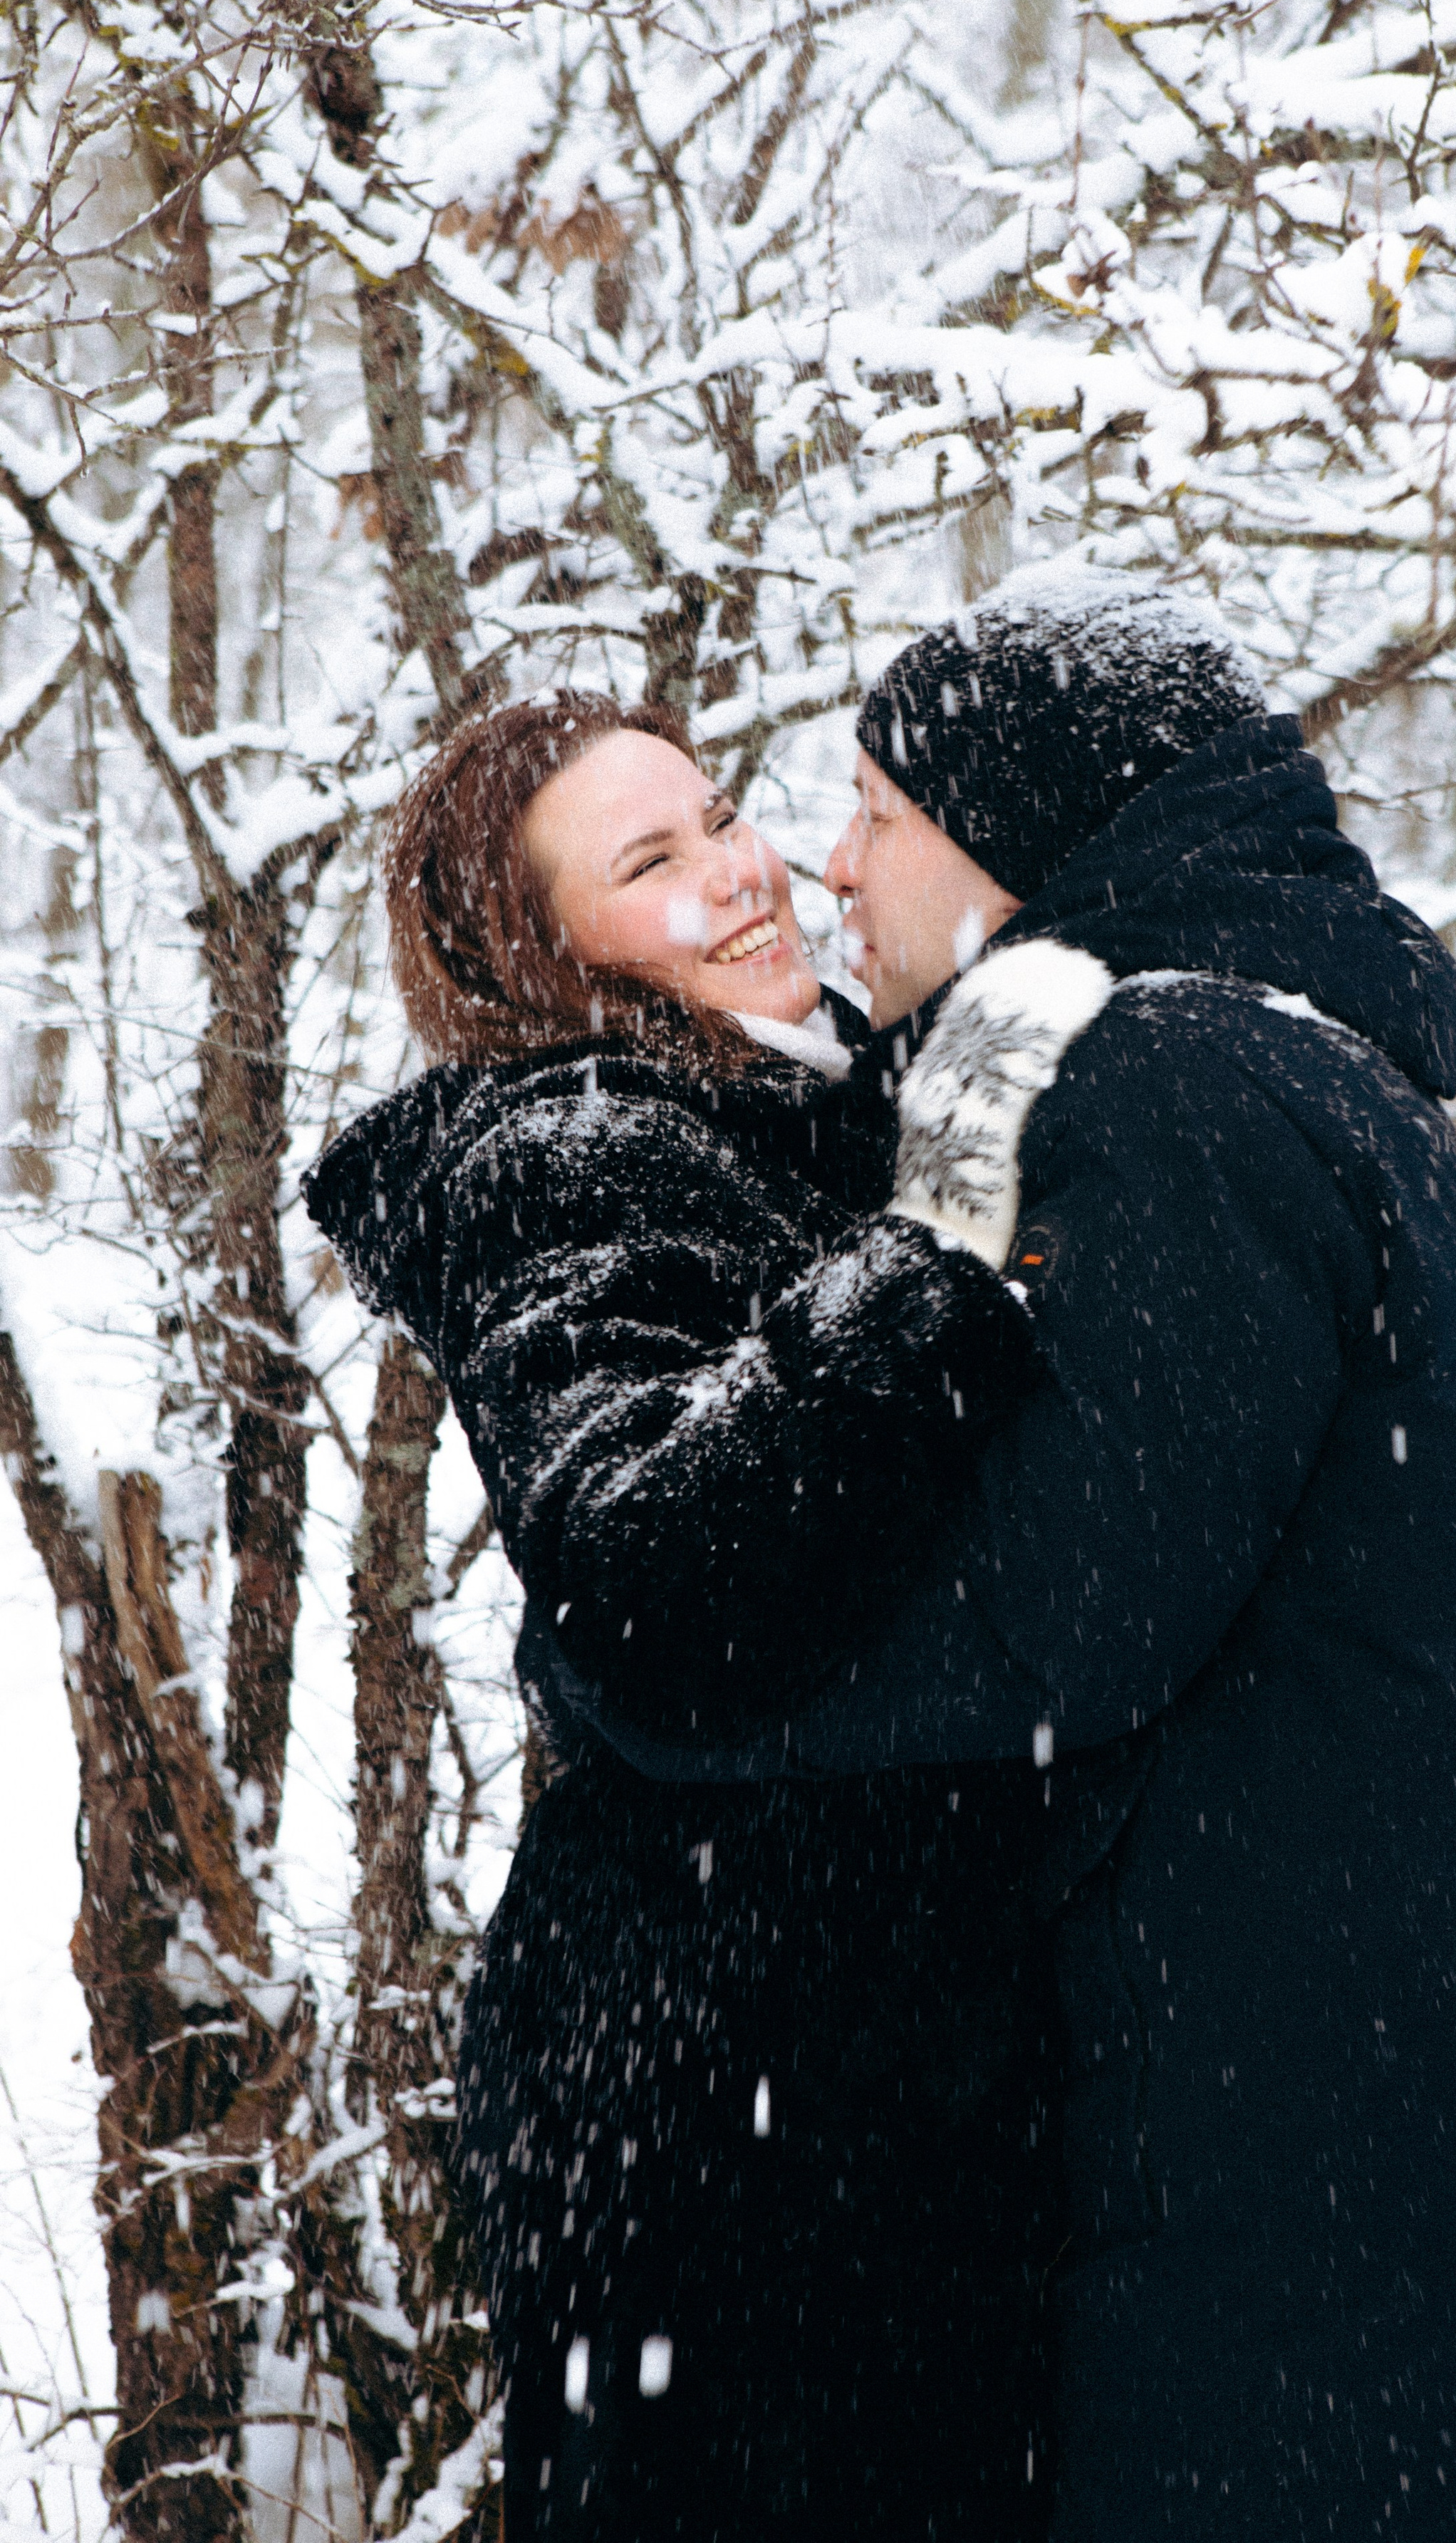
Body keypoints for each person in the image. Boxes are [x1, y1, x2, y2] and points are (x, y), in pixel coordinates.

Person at [513, 568, 1456, 2541]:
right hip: (1404, 2173)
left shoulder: (1179, 1083)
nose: (830, 864)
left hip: (1312, 2216)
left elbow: (1046, 1621)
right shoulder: (1306, 1075)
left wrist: (641, 1678)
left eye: (877, 812)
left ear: (1019, 835)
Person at [303, 690, 1062, 2540]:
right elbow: (649, 1568)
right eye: (652, 863)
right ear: (543, 956)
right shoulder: (570, 1155)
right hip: (720, 2105)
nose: (742, 874)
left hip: (851, 2079)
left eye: (720, 815)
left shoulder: (785, 1114)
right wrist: (936, 1249)